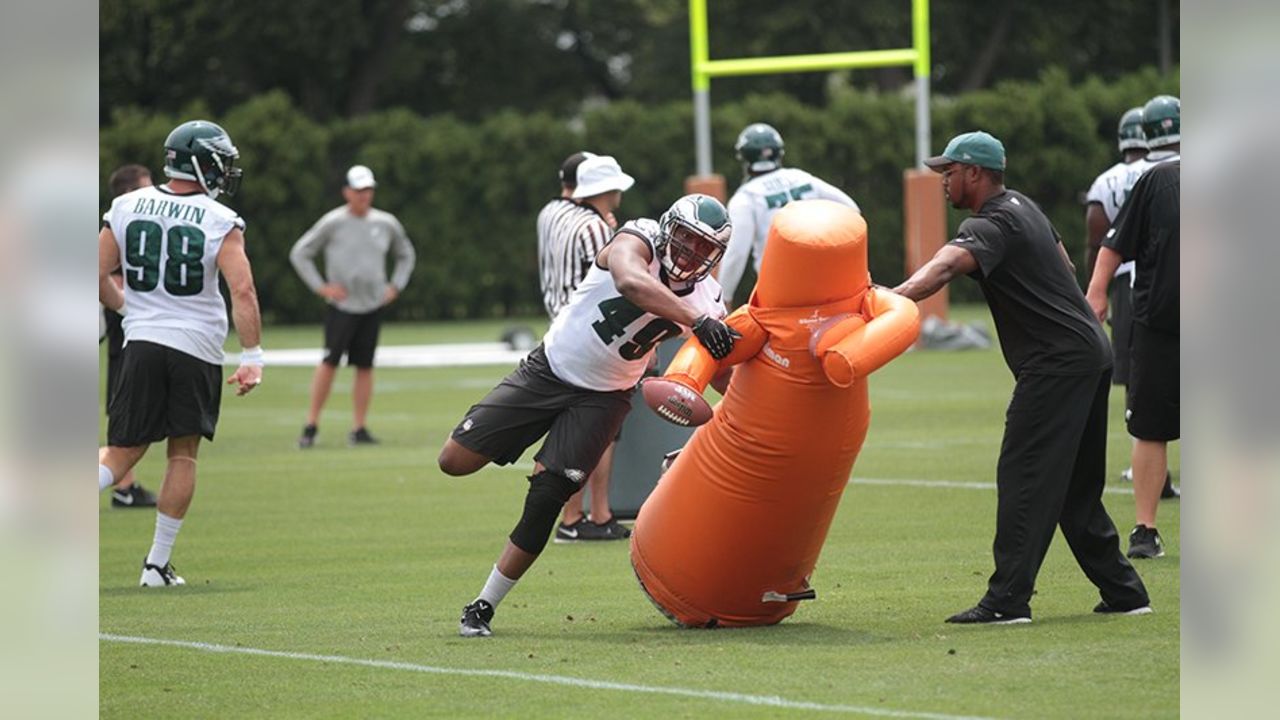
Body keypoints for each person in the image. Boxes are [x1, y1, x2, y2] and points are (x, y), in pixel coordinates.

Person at [439, 193, 740, 637]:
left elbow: (720, 375)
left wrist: (751, 402)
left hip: (605, 398)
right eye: (686, 240)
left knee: (546, 499)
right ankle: (524, 440)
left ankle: (482, 605)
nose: (690, 253)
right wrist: (696, 320)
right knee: (454, 461)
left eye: (703, 248)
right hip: (549, 371)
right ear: (668, 229)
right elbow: (632, 283)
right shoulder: (638, 236)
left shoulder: (710, 300)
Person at [893, 131, 1150, 624]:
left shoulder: (992, 221)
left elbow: (946, 266)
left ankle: (1007, 601)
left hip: (1056, 365)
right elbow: (1063, 262)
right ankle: (1124, 592)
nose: (944, 182)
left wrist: (892, 298)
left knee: (1024, 477)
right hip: (1089, 354)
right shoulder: (1024, 208)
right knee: (1074, 489)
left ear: (974, 173)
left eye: (949, 172)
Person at [97, 120, 264, 586]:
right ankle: (155, 564)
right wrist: (253, 354)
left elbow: (94, 272)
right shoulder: (218, 219)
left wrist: (129, 308)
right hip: (195, 347)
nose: (226, 169)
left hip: (144, 340)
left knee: (123, 452)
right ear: (201, 161)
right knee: (183, 454)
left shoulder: (127, 205)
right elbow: (243, 291)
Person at [1086, 95, 1181, 560]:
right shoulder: (1158, 180)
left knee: (1152, 427)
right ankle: (1145, 528)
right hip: (1162, 321)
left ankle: (1151, 529)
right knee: (1149, 426)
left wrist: (1099, 292)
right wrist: (1098, 291)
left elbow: (1103, 238)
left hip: (1170, 317)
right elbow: (1113, 242)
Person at [536, 152, 635, 542]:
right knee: (600, 429)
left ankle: (574, 515)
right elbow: (617, 279)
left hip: (556, 328)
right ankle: (590, 515)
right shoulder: (594, 227)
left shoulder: (550, 213)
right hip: (590, 337)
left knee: (573, 426)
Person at [290, 165, 416, 448]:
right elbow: (301, 252)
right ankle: (311, 425)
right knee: (329, 362)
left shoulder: (386, 223)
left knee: (365, 365)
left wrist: (395, 285)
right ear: (347, 192)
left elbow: (406, 253)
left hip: (372, 305)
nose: (364, 195)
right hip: (342, 306)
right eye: (359, 190)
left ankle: (359, 428)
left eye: (368, 190)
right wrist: (321, 287)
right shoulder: (333, 222)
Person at [718, 123, 861, 306]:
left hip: (781, 289)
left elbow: (736, 253)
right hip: (826, 278)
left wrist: (724, 297)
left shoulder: (746, 197)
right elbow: (852, 210)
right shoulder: (801, 177)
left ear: (745, 158)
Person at [100, 163, 158, 508]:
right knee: (121, 408)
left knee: (124, 408)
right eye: (144, 187)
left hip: (135, 325)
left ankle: (125, 484)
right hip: (127, 324)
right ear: (127, 193)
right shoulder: (120, 228)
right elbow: (109, 277)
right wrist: (131, 309)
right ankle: (123, 487)